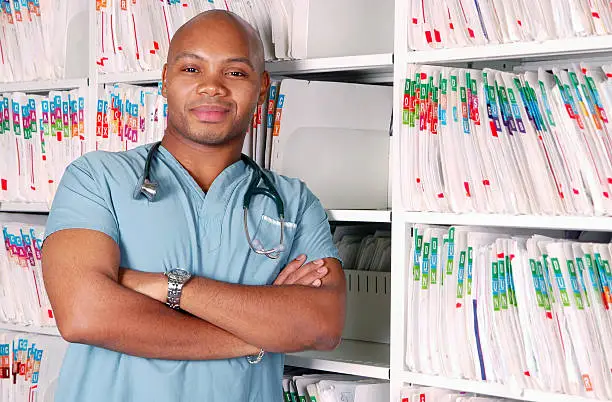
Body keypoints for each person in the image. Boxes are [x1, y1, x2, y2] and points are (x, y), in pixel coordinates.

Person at [41, 10, 345, 402]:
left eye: (235, 73)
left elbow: (322, 325)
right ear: (165, 80)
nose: (212, 87)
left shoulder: (294, 202)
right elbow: (84, 314)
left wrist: (164, 286)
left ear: (263, 87)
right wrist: (257, 336)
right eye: (191, 69)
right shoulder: (97, 178)